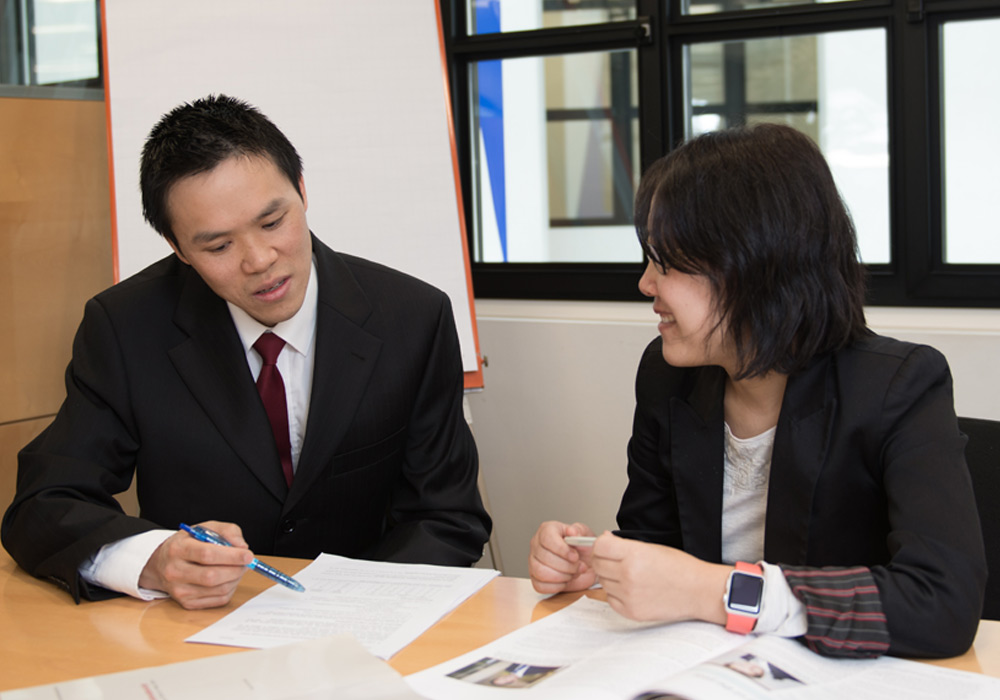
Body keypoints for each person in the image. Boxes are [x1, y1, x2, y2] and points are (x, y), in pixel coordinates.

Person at [2, 94, 491, 609]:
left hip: (370, 621)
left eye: (272, 222)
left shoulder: (413, 317)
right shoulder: (126, 327)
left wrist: (356, 608)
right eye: (218, 247)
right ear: (177, 247)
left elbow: (447, 517)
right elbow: (43, 504)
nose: (259, 261)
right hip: (195, 627)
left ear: (301, 190)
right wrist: (155, 560)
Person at [528, 123, 985, 659]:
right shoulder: (667, 375)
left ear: (754, 266)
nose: (646, 283)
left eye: (666, 262)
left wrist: (716, 592)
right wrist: (600, 565)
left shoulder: (897, 386)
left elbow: (942, 602)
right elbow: (654, 545)